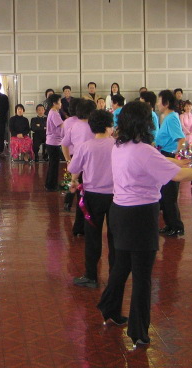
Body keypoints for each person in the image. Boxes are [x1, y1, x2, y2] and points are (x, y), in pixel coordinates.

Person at [97, 101, 192, 347]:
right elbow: (177, 175)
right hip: (141, 216)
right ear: (144, 123)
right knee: (143, 275)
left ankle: (109, 307)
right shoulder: (144, 150)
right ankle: (138, 331)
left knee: (122, 266)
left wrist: (183, 163)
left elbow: (162, 163)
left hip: (119, 212)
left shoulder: (120, 146)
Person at [69, 109, 115, 289]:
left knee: (92, 237)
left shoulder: (85, 146)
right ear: (109, 125)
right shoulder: (117, 145)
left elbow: (74, 169)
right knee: (115, 237)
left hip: (93, 197)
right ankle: (115, 277)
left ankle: (91, 276)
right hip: (116, 197)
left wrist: (74, 181)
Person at [61, 100, 96, 235]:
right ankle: (84, 227)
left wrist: (68, 160)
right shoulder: (93, 127)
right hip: (90, 166)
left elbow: (64, 144)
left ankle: (78, 227)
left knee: (80, 197)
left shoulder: (74, 126)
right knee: (88, 198)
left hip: (77, 164)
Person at [156, 90, 186, 237]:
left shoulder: (171, 118)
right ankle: (170, 224)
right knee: (165, 193)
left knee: (169, 194)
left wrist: (177, 156)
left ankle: (176, 226)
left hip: (169, 156)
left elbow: (181, 139)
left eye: (159, 100)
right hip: (164, 155)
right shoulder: (167, 117)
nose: (157, 103)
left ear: (166, 103)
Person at [44, 94, 64, 192]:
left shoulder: (52, 112)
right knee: (54, 165)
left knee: (53, 164)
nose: (61, 103)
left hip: (52, 141)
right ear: (54, 103)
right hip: (54, 142)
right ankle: (52, 186)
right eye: (59, 101)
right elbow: (61, 126)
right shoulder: (54, 113)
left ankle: (49, 184)